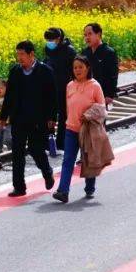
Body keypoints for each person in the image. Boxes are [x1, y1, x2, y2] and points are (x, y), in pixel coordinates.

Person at [0, 41, 57, 197]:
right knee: (17, 153)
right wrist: (3, 117)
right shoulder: (15, 71)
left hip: (38, 119)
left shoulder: (45, 71)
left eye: (22, 54)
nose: (19, 58)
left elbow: (52, 97)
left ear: (32, 54)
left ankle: (47, 172)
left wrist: (52, 117)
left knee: (36, 149)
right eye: (17, 54)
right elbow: (9, 96)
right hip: (18, 119)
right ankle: (19, 187)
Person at [52, 56, 105, 203]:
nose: (77, 70)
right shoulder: (70, 85)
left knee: (88, 160)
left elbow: (102, 109)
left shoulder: (95, 86)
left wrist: (88, 116)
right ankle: (63, 191)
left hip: (88, 130)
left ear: (87, 68)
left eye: (80, 67)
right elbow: (68, 108)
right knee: (68, 160)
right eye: (75, 67)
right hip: (71, 129)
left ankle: (90, 187)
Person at [44, 27, 76, 145]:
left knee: (63, 116)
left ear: (59, 39)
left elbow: (75, 71)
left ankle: (61, 142)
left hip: (65, 88)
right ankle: (49, 141)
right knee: (49, 115)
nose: (49, 42)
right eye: (47, 40)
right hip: (50, 88)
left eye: (51, 40)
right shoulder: (48, 49)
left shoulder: (69, 51)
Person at [80, 23, 119, 108]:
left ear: (99, 34)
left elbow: (113, 75)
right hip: (86, 94)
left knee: (98, 120)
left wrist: (109, 95)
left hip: (102, 94)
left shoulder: (108, 52)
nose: (87, 37)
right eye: (85, 35)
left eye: (90, 34)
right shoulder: (85, 53)